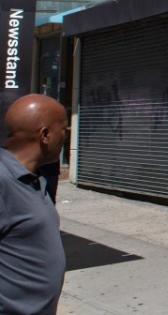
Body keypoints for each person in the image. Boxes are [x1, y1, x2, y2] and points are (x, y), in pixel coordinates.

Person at [0, 94, 69, 315]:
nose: (66, 137)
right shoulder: (3, 180)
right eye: (64, 129)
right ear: (45, 135)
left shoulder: (32, 179)